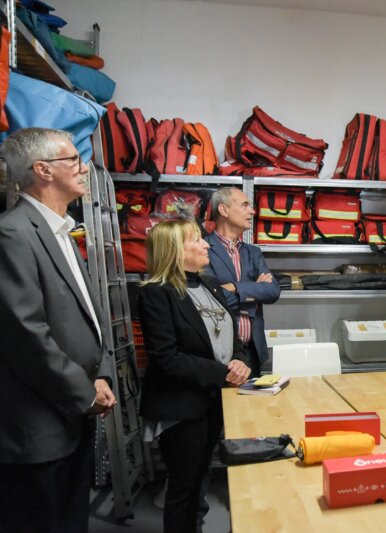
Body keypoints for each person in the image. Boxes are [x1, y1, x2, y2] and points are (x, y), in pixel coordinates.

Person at [0, 127, 116, 532]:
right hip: (39, 429)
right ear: (43, 170)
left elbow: (84, 317)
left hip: (72, 415)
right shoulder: (12, 234)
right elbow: (26, 335)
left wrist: (100, 373)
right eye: (74, 160)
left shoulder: (61, 230)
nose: (84, 168)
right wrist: (84, 392)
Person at [138, 219, 251, 533]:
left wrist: (240, 361)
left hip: (214, 399)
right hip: (182, 408)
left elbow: (233, 337)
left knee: (199, 480)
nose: (206, 245)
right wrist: (224, 373)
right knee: (185, 490)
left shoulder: (210, 284)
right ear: (175, 250)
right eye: (197, 241)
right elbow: (166, 359)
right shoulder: (156, 294)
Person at [204, 187, 281, 373]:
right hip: (219, 353)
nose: (252, 211)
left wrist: (235, 288)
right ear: (224, 210)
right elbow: (210, 301)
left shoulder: (253, 252)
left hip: (252, 351)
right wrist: (255, 292)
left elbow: (273, 291)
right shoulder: (204, 249)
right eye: (245, 205)